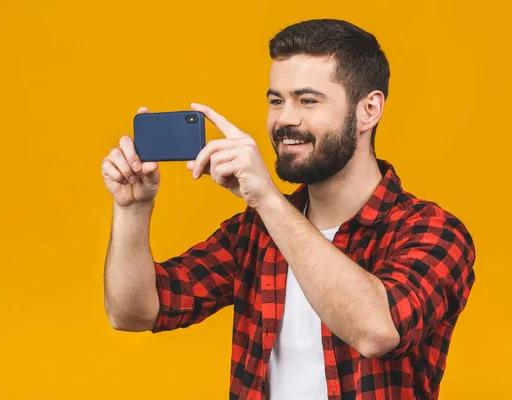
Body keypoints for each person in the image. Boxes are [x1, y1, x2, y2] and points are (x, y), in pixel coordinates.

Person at [100, 19, 476, 400]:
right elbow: (135, 312)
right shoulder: (255, 232)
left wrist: (267, 199)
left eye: (307, 100)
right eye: (276, 101)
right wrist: (132, 208)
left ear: (368, 110)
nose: (284, 119)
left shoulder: (432, 232)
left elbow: (377, 330)